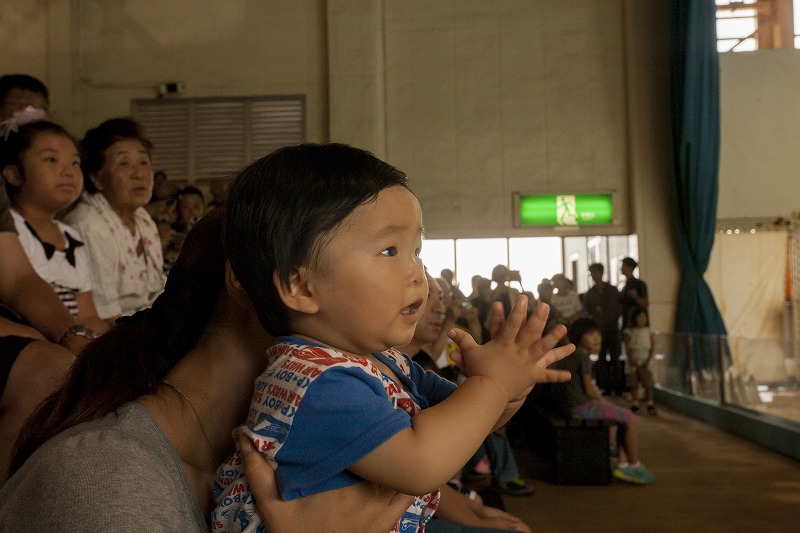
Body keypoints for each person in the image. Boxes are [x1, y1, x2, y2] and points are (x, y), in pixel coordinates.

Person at [212, 143, 573, 532]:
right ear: (301, 286)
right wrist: (493, 381)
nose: (419, 273)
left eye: (417, 251)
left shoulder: (383, 361)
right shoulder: (314, 382)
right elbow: (422, 465)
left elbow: (468, 422)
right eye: (390, 250)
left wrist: (511, 385)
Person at [0, 209, 414, 531]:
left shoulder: (267, 474)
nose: (414, 286)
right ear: (251, 285)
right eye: (384, 255)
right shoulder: (104, 481)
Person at [408, 272, 532, 532]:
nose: (440, 306)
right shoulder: (338, 377)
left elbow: (488, 418)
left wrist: (514, 387)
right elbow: (417, 471)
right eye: (429, 294)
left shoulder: (407, 369)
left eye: (443, 298)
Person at [3, 120, 109, 336]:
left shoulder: (71, 237)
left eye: (75, 163)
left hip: (72, 337)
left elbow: (87, 315)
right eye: (51, 159)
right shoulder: (10, 233)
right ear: (13, 174)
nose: (68, 172)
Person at [62, 117, 165, 323]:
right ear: (96, 178)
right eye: (124, 164)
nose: (139, 173)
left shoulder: (143, 219)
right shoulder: (88, 224)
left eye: (144, 162)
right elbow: (106, 316)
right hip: (117, 335)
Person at [550, 317, 655, 485]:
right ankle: (635, 464)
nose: (596, 338)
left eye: (597, 334)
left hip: (569, 406)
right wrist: (604, 402)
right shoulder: (582, 356)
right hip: (581, 407)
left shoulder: (571, 354)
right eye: (590, 334)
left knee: (623, 418)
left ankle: (623, 463)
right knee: (631, 419)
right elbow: (589, 390)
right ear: (579, 336)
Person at [583, 263, 623, 395]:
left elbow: (619, 307)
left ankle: (618, 387)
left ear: (600, 272)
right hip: (598, 331)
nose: (593, 276)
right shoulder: (589, 294)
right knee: (601, 359)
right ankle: (605, 387)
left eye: (594, 272)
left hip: (612, 328)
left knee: (615, 358)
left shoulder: (612, 290)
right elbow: (587, 311)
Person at [623, 306, 657, 415]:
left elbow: (652, 347)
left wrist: (648, 360)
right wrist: (631, 359)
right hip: (633, 362)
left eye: (643, 317)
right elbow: (627, 347)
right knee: (634, 383)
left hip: (645, 362)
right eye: (639, 317)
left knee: (648, 384)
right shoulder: (629, 332)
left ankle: (650, 404)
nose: (641, 319)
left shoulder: (649, 331)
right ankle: (635, 403)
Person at [620, 257, 649, 329]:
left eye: (623, 266)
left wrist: (635, 297)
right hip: (627, 323)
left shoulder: (639, 284)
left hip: (637, 325)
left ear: (629, 268)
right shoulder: (625, 287)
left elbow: (645, 304)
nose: (621, 269)